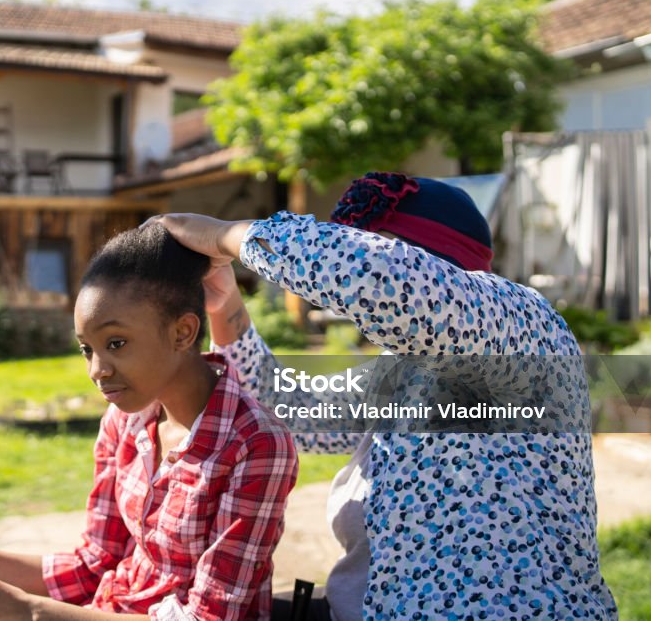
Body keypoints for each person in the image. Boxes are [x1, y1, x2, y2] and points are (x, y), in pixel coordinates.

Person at [154, 171, 618, 620]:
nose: (355, 312)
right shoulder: (405, 376)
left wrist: (225, 235)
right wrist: (226, 304)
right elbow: (294, 412)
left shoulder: (523, 325)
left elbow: (375, 274)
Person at [0, 224, 299, 620]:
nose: (97, 369)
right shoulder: (125, 423)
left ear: (182, 332)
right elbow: (93, 564)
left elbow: (209, 619)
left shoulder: (255, 445)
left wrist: (31, 613)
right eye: (87, 348)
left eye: (116, 343)